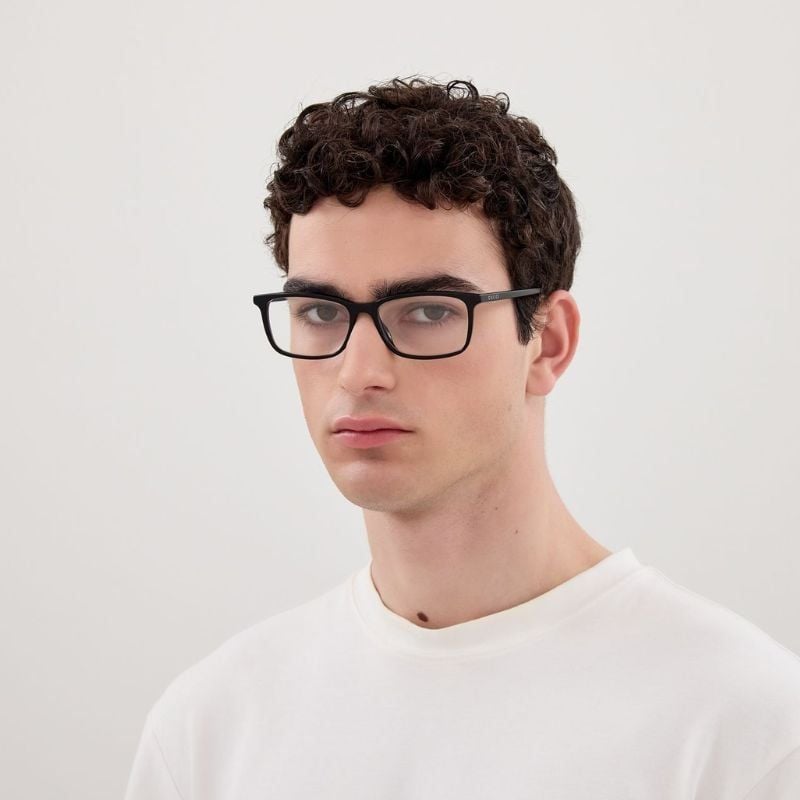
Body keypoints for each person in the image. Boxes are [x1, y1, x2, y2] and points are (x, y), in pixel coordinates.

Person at [124, 76, 800, 799]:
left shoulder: (744, 728)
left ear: (547, 343)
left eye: (427, 311)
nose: (359, 372)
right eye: (320, 312)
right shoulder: (211, 730)